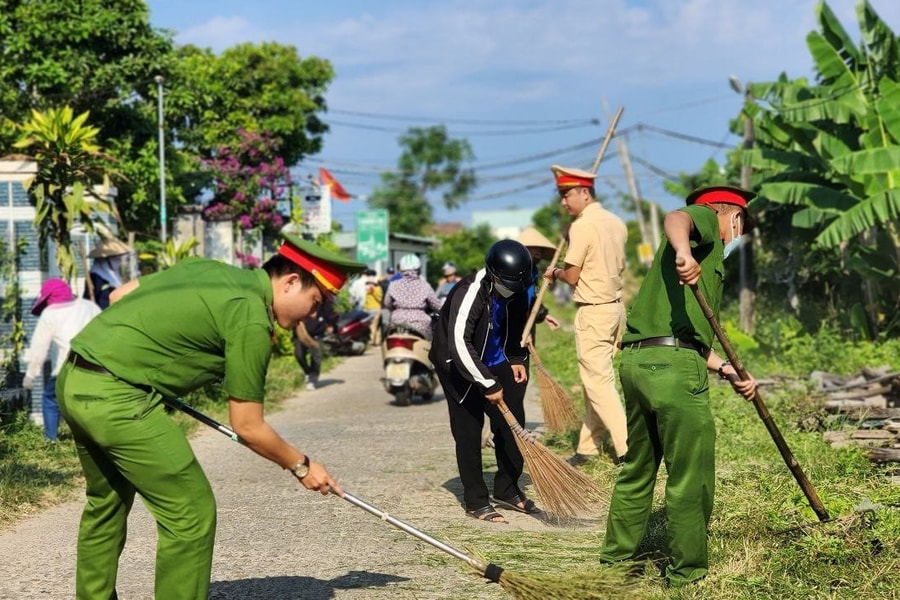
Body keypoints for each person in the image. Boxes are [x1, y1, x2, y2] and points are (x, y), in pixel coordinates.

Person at [57, 233, 365, 600]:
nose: (312, 315)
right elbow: (248, 426)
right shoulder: (251, 317)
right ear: (291, 282)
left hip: (74, 379)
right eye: (315, 303)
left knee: (105, 504)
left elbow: (118, 296)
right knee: (191, 514)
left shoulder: (209, 270)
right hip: (118, 400)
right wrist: (302, 466)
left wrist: (142, 352)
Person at [598, 185, 759, 587]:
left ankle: (615, 565)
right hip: (673, 371)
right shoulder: (704, 221)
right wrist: (685, 251)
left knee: (638, 469)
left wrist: (726, 369)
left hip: (638, 363)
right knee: (690, 473)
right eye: (740, 224)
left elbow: (684, 336)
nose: (737, 234)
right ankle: (686, 573)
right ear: (729, 213)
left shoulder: (698, 263)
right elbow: (678, 217)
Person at [430, 239, 538, 523]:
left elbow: (516, 326)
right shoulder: (470, 291)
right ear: (492, 274)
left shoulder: (515, 288)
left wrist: (516, 358)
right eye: (507, 284)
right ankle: (476, 500)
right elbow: (459, 344)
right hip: (457, 363)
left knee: (513, 421)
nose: (512, 290)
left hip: (494, 358)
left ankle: (507, 488)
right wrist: (488, 384)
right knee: (468, 428)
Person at [544, 165, 628, 467]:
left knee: (598, 384)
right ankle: (588, 448)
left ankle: (627, 451)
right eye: (562, 196)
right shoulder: (617, 222)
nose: (564, 202)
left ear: (584, 192)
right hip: (616, 310)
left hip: (593, 312)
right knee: (598, 381)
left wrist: (554, 272)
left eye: (567, 195)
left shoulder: (581, 227)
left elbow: (573, 276)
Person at [22, 279, 101, 441]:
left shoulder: (50, 313)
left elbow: (39, 347)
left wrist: (30, 375)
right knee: (91, 402)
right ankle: (95, 437)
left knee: (50, 399)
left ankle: (51, 439)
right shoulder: (89, 306)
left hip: (67, 367)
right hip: (97, 367)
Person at [383, 253, 443, 340]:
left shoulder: (393, 285)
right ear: (418, 270)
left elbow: (387, 303)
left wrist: (397, 309)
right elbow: (436, 305)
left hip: (397, 323)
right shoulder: (424, 285)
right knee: (431, 345)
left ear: (401, 270)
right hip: (420, 324)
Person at [293, 299, 338, 390]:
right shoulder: (300, 298)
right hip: (301, 332)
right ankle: (308, 372)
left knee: (316, 356)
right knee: (299, 354)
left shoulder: (323, 301)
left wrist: (331, 325)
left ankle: (312, 379)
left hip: (317, 333)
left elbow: (330, 313)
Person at [84, 236, 132, 310]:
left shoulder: (113, 275)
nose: (118, 261)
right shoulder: (95, 277)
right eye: (115, 258)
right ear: (105, 260)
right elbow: (94, 299)